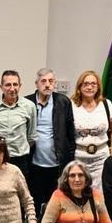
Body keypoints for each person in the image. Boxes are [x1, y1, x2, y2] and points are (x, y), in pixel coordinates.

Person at [27, 68, 76, 214]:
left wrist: (70, 157)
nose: (47, 85)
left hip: (57, 164)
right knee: (34, 201)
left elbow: (70, 132)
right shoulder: (27, 102)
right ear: (36, 84)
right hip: (33, 163)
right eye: (43, 81)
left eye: (51, 81)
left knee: (55, 203)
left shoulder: (63, 102)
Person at [0, 71, 36, 174]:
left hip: (20, 160)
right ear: (1, 87)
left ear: (20, 86)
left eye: (15, 84)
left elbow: (31, 137)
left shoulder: (30, 106)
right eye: (8, 85)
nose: (12, 88)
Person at [69, 70, 112, 182]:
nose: (89, 87)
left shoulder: (106, 104)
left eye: (93, 84)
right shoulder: (71, 105)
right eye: (85, 84)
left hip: (101, 159)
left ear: (98, 87)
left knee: (100, 195)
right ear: (79, 87)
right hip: (78, 158)